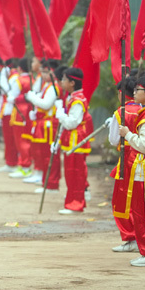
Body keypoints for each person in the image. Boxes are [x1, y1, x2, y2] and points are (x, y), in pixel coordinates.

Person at [109, 71, 145, 267]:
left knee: (144, 214)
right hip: (143, 168)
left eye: (138, 90)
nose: (134, 92)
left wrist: (128, 135)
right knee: (142, 213)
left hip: (144, 169)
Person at [108, 72, 141, 250]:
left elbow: (113, 140)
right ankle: (139, 236)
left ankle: (130, 237)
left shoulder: (121, 112)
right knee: (139, 198)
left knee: (121, 199)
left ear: (122, 93)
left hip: (128, 158)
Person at [57, 68, 93, 214]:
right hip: (69, 139)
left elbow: (72, 122)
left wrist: (60, 115)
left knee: (76, 173)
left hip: (76, 141)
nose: (62, 82)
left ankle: (76, 203)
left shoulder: (78, 100)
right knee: (70, 173)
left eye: (64, 79)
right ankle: (72, 199)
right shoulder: (72, 97)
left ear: (72, 83)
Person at [23, 64, 60, 193]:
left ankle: (52, 184)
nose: (44, 75)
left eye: (46, 72)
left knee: (49, 156)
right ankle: (46, 182)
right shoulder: (46, 86)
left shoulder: (54, 87)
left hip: (50, 126)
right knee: (42, 154)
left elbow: (46, 104)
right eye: (42, 72)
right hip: (42, 124)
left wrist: (32, 98)